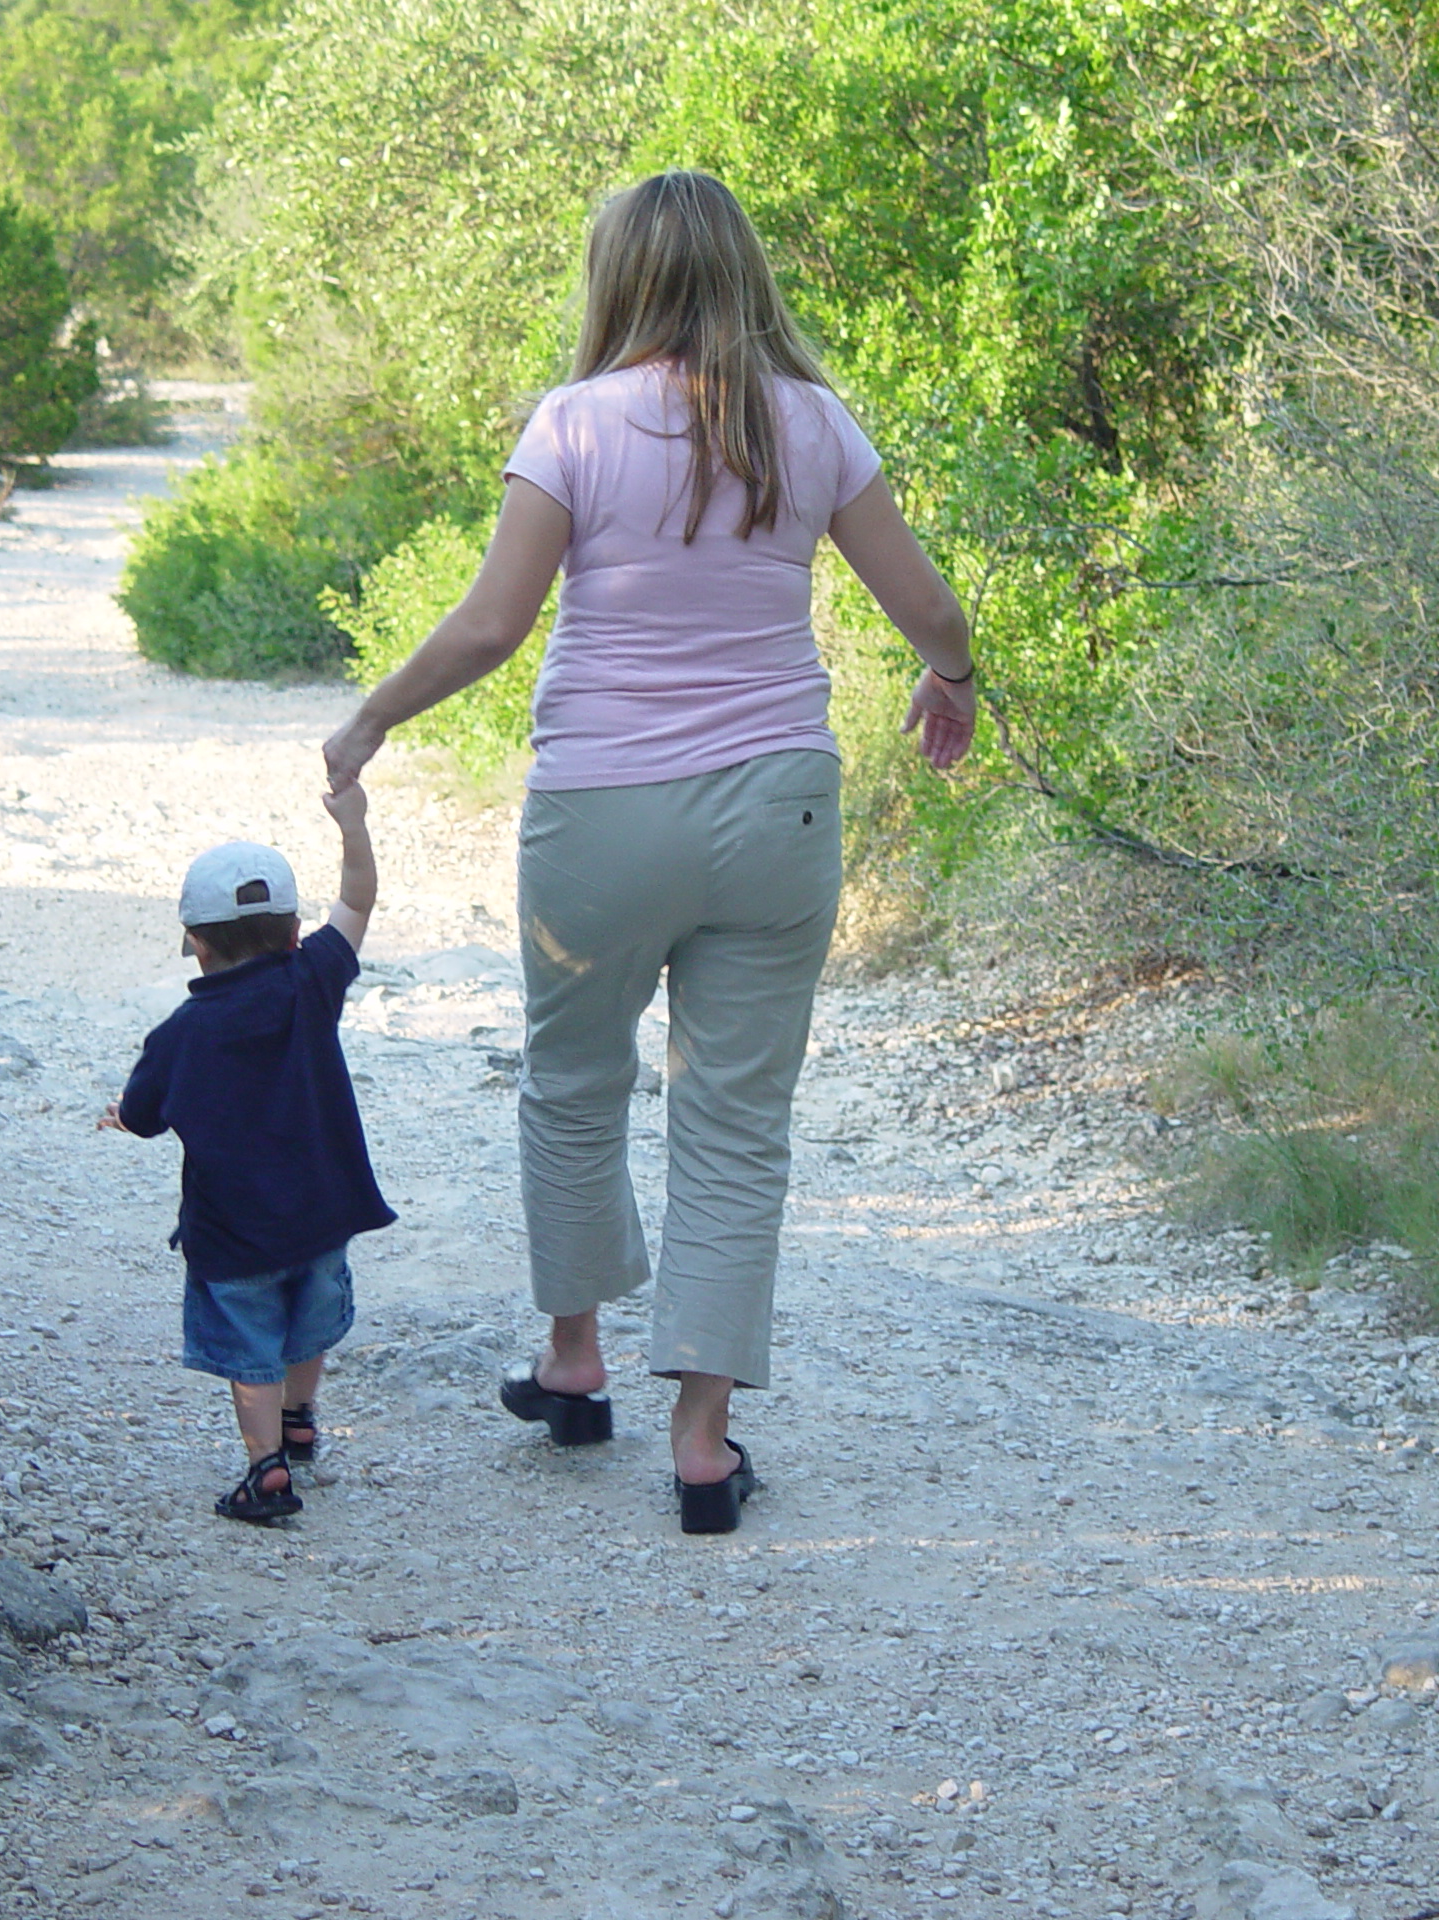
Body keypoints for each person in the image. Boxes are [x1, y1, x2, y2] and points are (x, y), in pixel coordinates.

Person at [321, 170, 975, 1534]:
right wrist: (948, 679)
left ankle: (573, 1360)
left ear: (618, 278)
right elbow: (928, 605)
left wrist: (375, 714)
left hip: (603, 812)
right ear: (744, 275)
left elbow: (496, 626)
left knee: (571, 1079)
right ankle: (699, 1444)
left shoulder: (571, 425)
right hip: (777, 807)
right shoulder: (813, 423)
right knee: (737, 1122)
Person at [101, 788, 395, 1524]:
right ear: (296, 932)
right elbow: (359, 902)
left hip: (234, 1236)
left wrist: (122, 1119)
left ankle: (266, 1468)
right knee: (308, 1324)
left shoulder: (178, 1035)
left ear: (197, 942)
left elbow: (144, 1117)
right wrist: (352, 827)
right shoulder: (312, 983)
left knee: (250, 1346)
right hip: (323, 1216)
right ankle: (303, 1420)